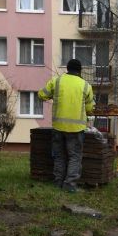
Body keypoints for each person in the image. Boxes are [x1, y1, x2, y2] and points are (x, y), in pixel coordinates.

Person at [38, 59, 95, 192]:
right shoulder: (86, 85)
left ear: (67, 69)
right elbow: (90, 108)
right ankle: (69, 185)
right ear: (80, 71)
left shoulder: (57, 81)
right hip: (76, 129)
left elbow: (41, 95)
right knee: (74, 156)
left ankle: (58, 182)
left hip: (58, 127)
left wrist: (54, 96)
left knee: (59, 155)